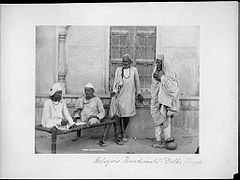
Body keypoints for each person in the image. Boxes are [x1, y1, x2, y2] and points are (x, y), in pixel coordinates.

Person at [111, 54, 144, 144]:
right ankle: (120, 133)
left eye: (126, 61)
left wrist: (139, 93)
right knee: (119, 115)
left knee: (126, 115)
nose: (125, 63)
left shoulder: (134, 70)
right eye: (123, 61)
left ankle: (123, 132)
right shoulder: (118, 70)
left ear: (130, 62)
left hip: (129, 96)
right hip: (120, 95)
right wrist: (114, 91)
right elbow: (115, 82)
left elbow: (137, 82)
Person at [150, 54, 180, 148]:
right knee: (157, 120)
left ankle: (167, 140)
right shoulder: (155, 71)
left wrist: (162, 78)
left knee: (166, 119)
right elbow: (154, 85)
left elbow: (173, 84)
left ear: (163, 62)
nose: (157, 63)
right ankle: (158, 140)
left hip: (164, 100)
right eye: (156, 61)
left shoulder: (168, 72)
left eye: (159, 61)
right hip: (156, 99)